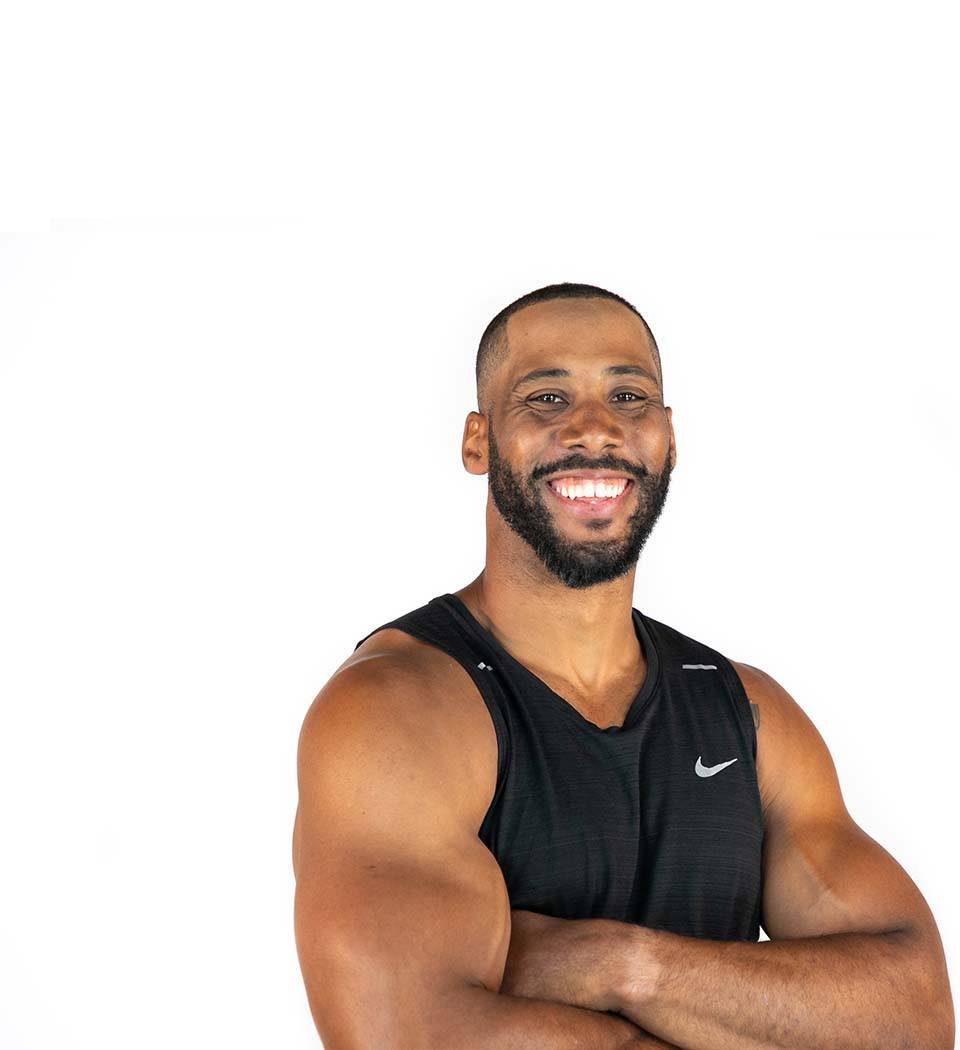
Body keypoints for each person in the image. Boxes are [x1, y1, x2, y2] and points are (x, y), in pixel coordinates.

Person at [292, 282, 954, 1048]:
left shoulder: (749, 715)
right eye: (545, 397)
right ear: (477, 442)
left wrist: (621, 965)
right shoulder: (396, 710)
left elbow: (917, 1019)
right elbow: (407, 1036)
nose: (595, 427)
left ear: (667, 438)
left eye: (629, 395)